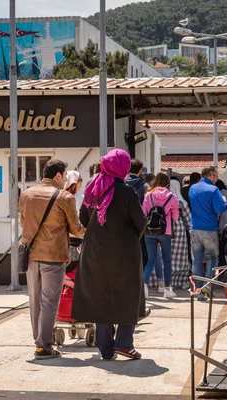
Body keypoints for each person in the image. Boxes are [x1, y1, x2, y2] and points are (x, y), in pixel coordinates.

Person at [72, 149, 147, 360]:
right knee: (128, 295)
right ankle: (124, 343)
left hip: (94, 252)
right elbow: (140, 222)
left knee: (99, 296)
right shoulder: (127, 191)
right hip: (124, 254)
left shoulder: (92, 188)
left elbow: (84, 219)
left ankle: (105, 349)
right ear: (122, 167)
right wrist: (132, 237)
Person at [19, 159, 86, 360]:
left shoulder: (26, 194)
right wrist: (90, 232)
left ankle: (38, 340)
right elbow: (76, 228)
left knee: (34, 300)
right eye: (65, 175)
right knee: (49, 301)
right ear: (58, 175)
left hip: (31, 255)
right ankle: (44, 345)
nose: (65, 178)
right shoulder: (65, 197)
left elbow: (23, 222)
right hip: (54, 256)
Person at [189, 166, 227, 300]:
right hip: (209, 228)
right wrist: (224, 201)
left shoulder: (192, 188)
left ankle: (198, 291)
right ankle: (207, 285)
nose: (216, 180)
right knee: (213, 257)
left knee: (197, 261)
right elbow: (220, 208)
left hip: (194, 228)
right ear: (210, 176)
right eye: (216, 176)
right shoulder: (213, 189)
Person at [142, 172, 179, 299]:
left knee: (151, 259)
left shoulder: (148, 195)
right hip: (165, 231)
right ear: (167, 182)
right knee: (167, 260)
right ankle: (167, 289)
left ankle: (144, 287)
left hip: (149, 231)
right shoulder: (172, 196)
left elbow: (143, 212)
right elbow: (176, 216)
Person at [169, 178, 192, 290]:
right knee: (179, 257)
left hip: (164, 229)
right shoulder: (181, 202)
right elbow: (188, 220)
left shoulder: (162, 199)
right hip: (179, 231)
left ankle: (163, 280)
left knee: (165, 256)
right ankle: (181, 280)